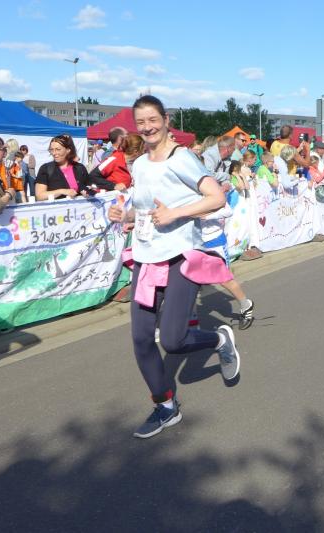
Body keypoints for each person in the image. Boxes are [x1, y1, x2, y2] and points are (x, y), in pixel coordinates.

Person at [107, 95, 240, 439]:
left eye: (153, 120)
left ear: (166, 120)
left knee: (173, 340)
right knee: (141, 338)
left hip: (181, 256)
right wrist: (126, 215)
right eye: (141, 122)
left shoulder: (182, 159)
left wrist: (176, 214)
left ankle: (219, 339)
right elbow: (146, 209)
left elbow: (216, 197)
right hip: (147, 257)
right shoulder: (139, 163)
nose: (147, 127)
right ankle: (166, 406)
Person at [35, 134, 90, 201]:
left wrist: (86, 191)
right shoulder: (46, 169)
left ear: (68, 150)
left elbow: (89, 187)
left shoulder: (80, 168)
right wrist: (62, 191)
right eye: (51, 150)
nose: (54, 153)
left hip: (79, 207)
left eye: (58, 149)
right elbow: (39, 196)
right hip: (56, 207)